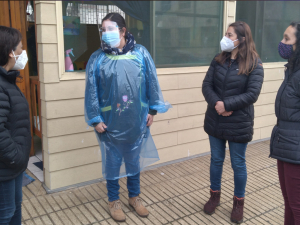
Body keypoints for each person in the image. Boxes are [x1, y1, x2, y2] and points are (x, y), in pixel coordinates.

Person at [84, 13, 171, 222]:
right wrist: (95, 119)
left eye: (110, 29)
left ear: (123, 31)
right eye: (103, 29)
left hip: (136, 119)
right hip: (109, 122)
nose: (105, 34)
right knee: (112, 162)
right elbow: (92, 91)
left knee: (134, 159)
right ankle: (113, 200)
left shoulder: (140, 54)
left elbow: (151, 82)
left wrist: (152, 111)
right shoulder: (97, 58)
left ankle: (135, 197)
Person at [202, 21, 264, 224]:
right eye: (226, 34)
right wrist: (218, 104)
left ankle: (238, 203)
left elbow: (252, 94)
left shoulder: (254, 63)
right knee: (216, 161)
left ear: (242, 39)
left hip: (239, 122)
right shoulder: (219, 59)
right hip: (215, 119)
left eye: (230, 35)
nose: (226, 38)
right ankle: (214, 196)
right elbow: (207, 85)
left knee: (238, 163)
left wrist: (227, 105)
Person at [0, 26, 31, 224]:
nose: (23, 53)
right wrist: (16, 156)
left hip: (13, 166)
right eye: (20, 48)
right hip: (6, 166)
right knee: (5, 214)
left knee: (14, 209)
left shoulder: (8, 80)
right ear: (11, 52)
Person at [270, 21, 300, 225]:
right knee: (289, 203)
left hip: (296, 149)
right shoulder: (292, 71)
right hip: (285, 144)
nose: (282, 43)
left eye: (287, 39)